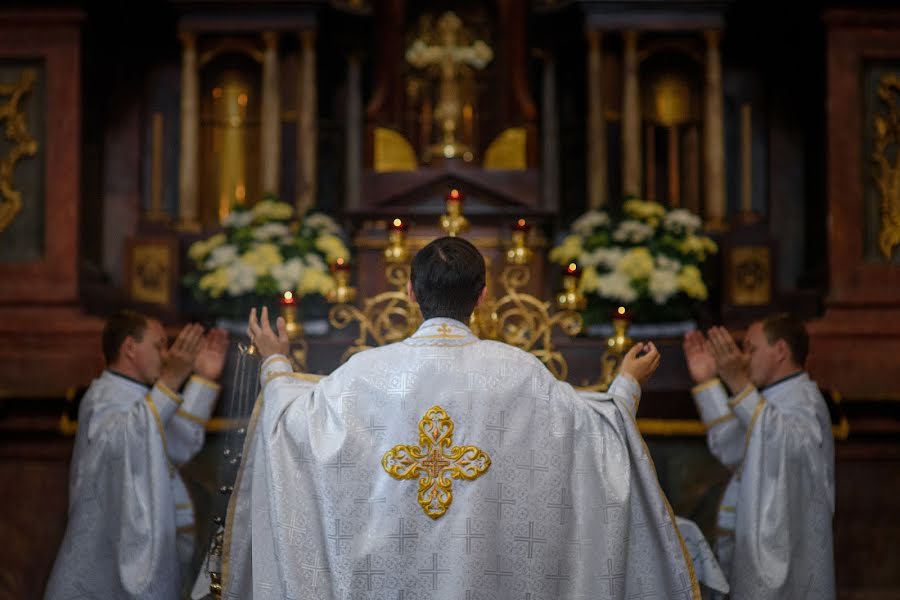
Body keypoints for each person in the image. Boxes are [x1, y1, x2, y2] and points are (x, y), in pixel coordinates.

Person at [221, 236, 703, 599]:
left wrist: (275, 363)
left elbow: (291, 425)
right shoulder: (521, 374)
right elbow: (597, 432)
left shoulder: (364, 374)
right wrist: (626, 384)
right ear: (482, 296)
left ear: (410, 292)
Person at [45, 310, 229, 600]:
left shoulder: (139, 397)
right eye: (159, 345)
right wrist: (170, 380)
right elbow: (126, 443)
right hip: (112, 560)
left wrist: (203, 378)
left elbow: (175, 444)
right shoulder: (103, 397)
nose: (166, 355)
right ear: (130, 348)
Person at [683, 314, 835, 599]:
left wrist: (738, 383)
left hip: (786, 553)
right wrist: (707, 381)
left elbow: (782, 446)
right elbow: (734, 447)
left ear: (780, 351)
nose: (743, 358)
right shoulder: (772, 401)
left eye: (751, 349)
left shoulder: (805, 401)